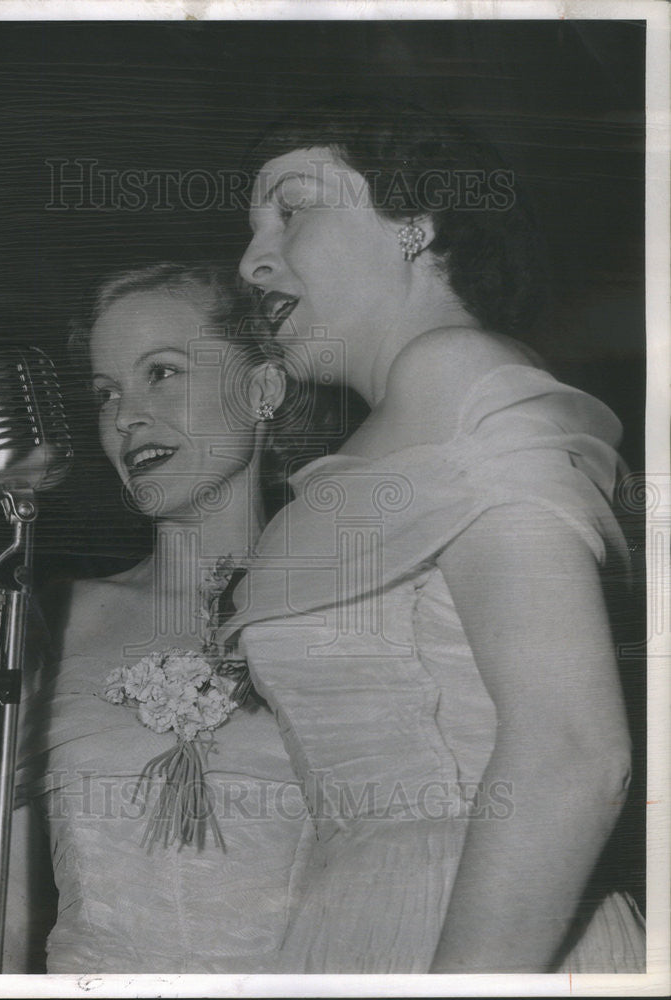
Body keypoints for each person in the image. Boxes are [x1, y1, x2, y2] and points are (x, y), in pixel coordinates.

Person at [225, 98, 647, 973]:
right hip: (349, 928)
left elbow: (573, 754)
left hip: (478, 933)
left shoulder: (465, 379)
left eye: (291, 209)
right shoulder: (376, 436)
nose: (251, 258)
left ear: (413, 223)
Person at [0, 263, 353, 973]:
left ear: (261, 389)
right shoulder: (57, 619)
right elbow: (0, 901)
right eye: (106, 393)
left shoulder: (348, 609)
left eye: (161, 373)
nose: (125, 416)